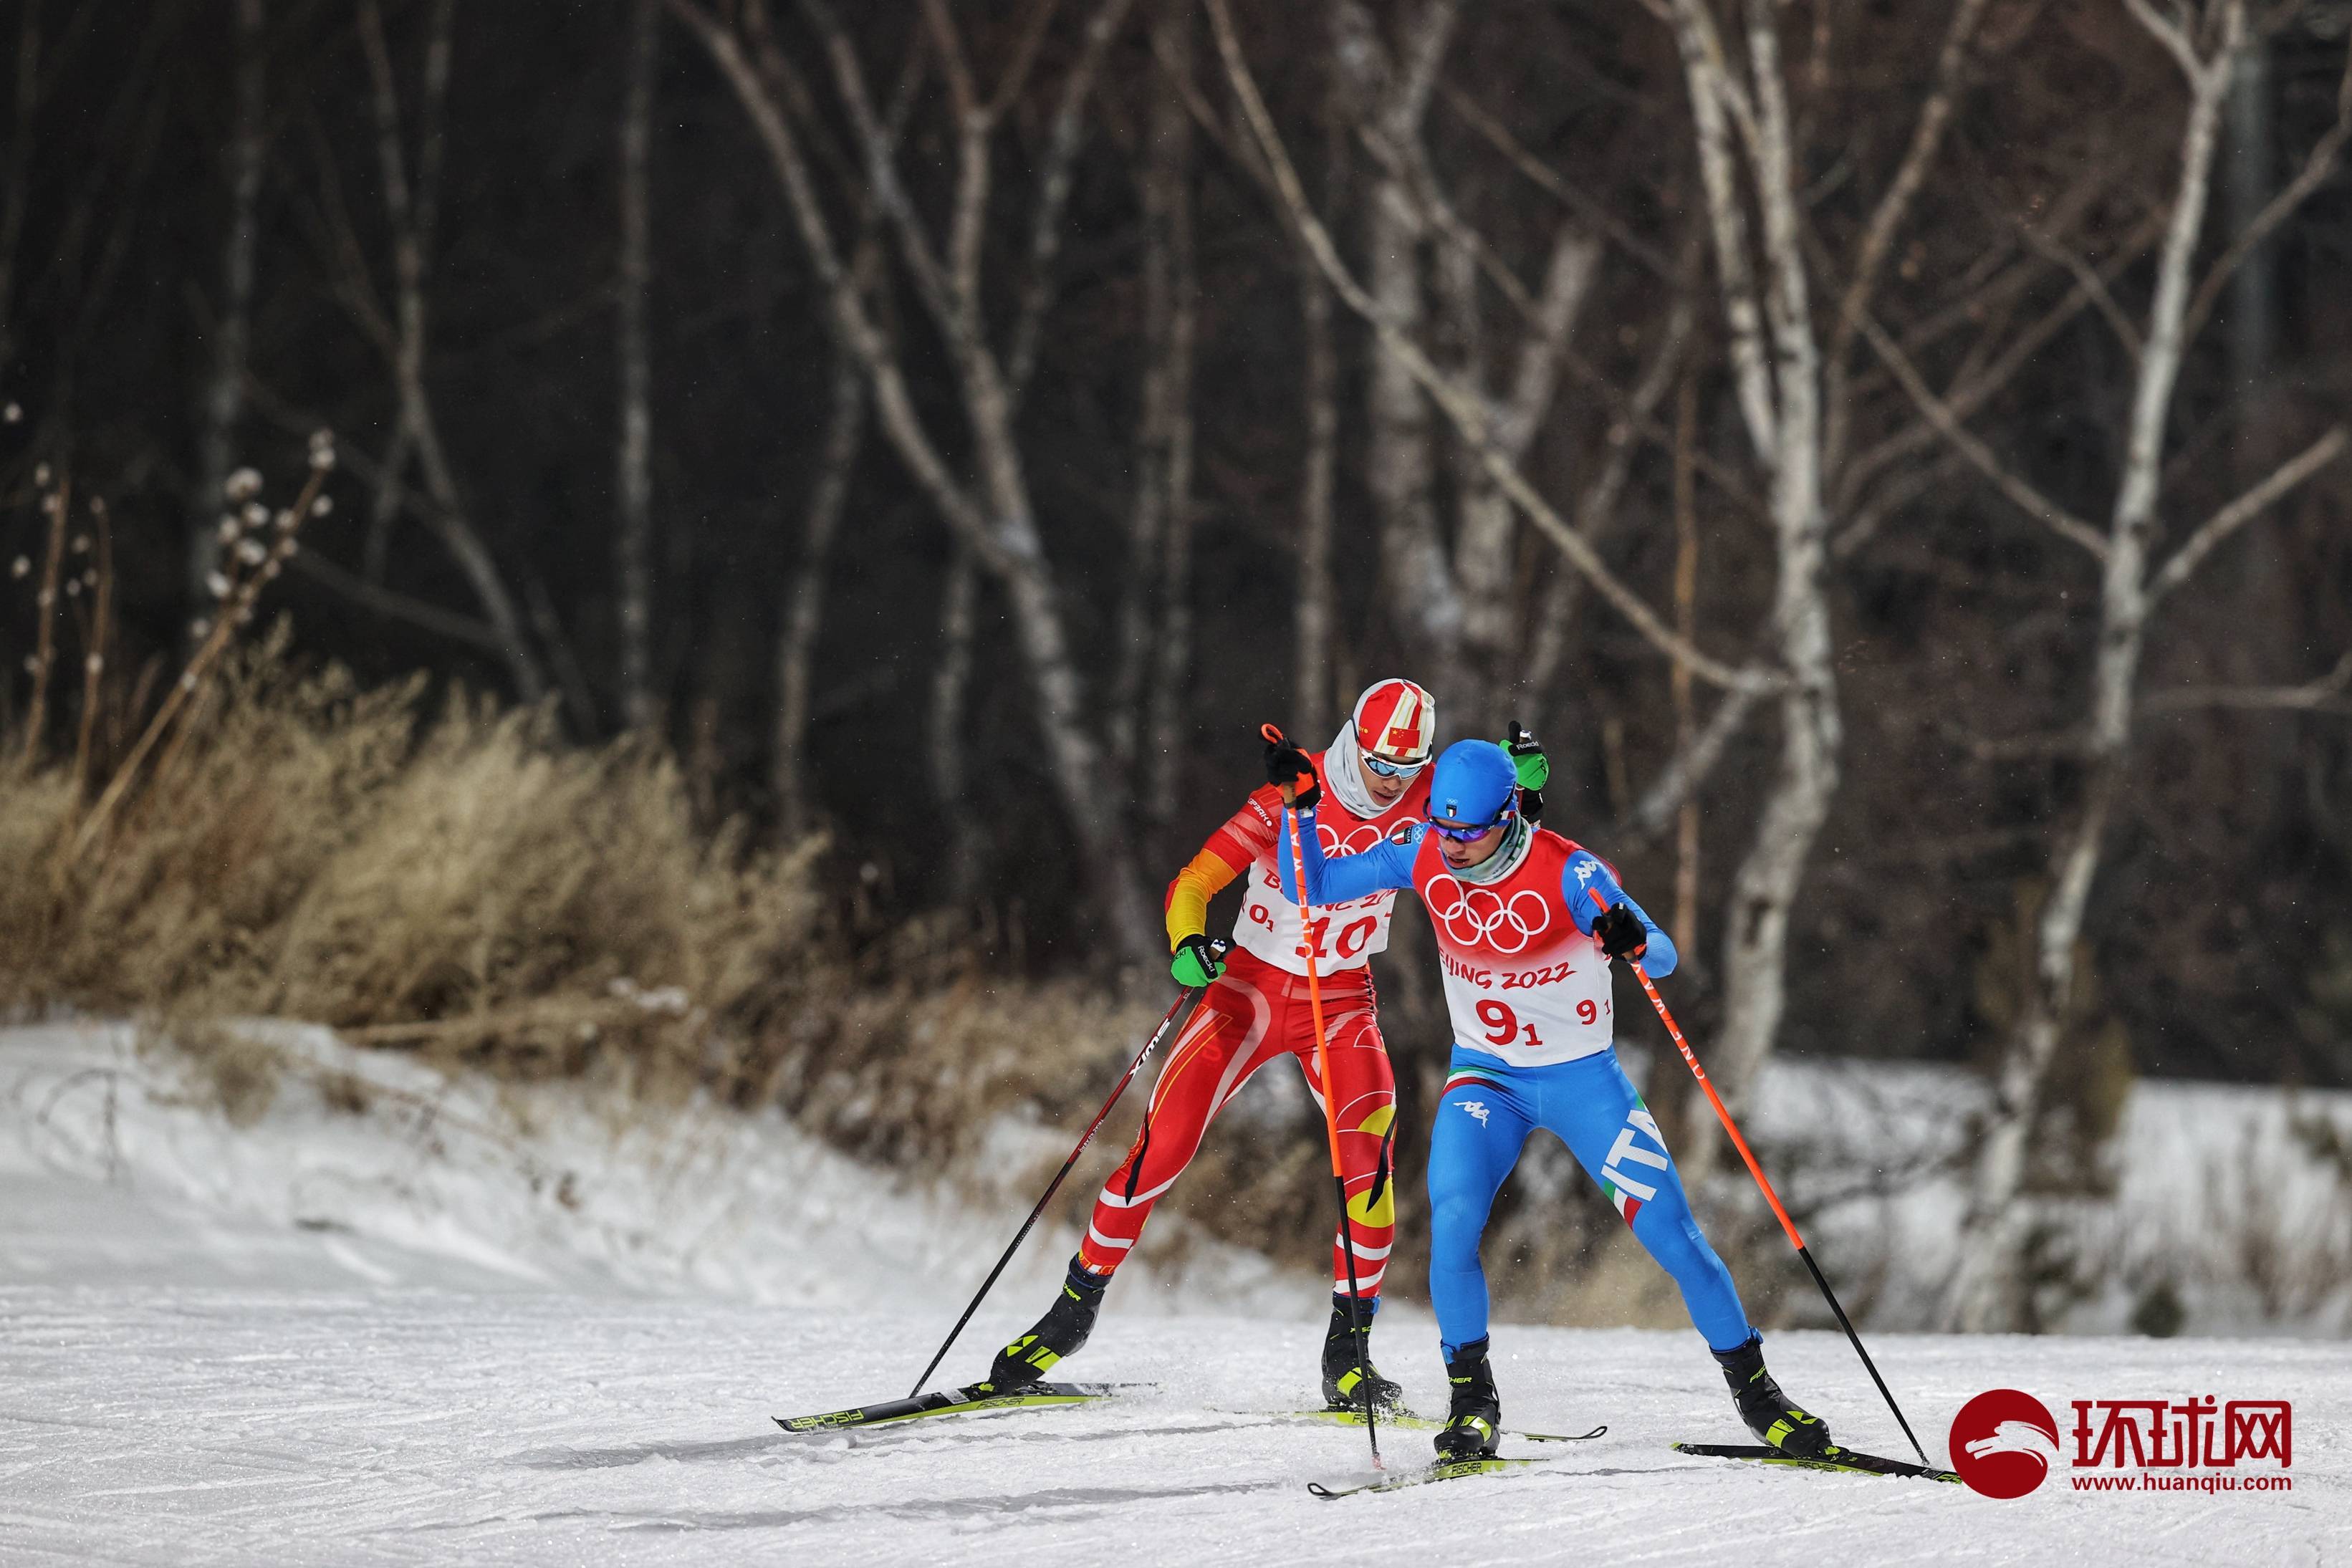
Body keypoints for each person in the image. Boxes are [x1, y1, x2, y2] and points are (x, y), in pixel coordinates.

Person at [1275, 736, 1834, 1461]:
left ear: (1506, 816)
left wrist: (1631, 937)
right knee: (1452, 1222)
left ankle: (1758, 1396)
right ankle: (1472, 1401)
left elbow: (1662, 955)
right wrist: (1300, 808)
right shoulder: (1423, 852)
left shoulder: (1570, 871)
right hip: (1486, 1079)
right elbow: (1311, 884)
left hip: (1582, 1082)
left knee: (1674, 1237)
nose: (1451, 846)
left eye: (1467, 832)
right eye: (1442, 827)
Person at [981, 680, 1467, 1411]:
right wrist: (1187, 943)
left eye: (1407, 767)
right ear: (1353, 742)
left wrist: (1522, 794)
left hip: (1340, 1000)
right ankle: (1072, 1311)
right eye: (1378, 764)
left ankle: (1347, 1354)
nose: (1391, 781)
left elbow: (1496, 840)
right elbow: (1196, 880)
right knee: (1161, 1149)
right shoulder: (1289, 791)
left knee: (1369, 1166)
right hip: (1246, 992)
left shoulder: (1430, 798)